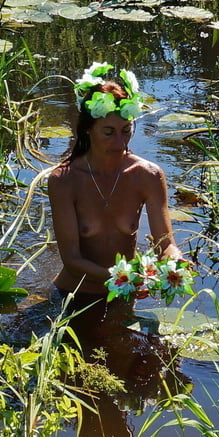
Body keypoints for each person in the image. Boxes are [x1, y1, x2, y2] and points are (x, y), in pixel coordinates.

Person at [48, 62, 184, 299]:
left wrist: (175, 261)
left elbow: (165, 244)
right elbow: (71, 260)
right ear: (88, 129)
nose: (120, 143)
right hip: (73, 294)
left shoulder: (148, 176)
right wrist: (123, 279)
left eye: (126, 130)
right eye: (108, 132)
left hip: (124, 293)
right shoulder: (64, 180)